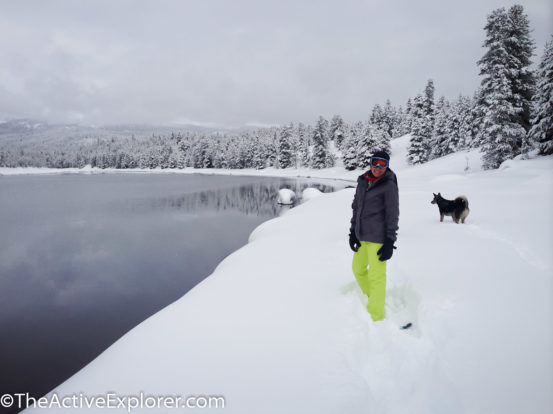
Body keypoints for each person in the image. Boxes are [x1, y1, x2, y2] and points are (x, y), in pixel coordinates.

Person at [348, 150, 399, 322]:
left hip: (378, 238)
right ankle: (374, 297)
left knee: (377, 276)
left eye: (383, 164)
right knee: (358, 269)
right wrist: (352, 233)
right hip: (361, 235)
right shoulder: (362, 181)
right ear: (370, 162)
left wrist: (390, 241)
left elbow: (393, 214)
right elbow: (356, 208)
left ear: (387, 166)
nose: (378, 167)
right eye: (375, 162)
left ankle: (376, 315)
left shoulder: (389, 185)